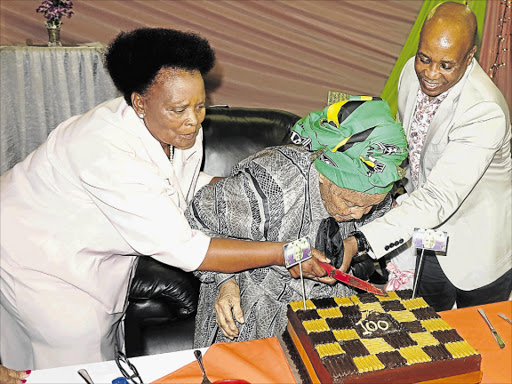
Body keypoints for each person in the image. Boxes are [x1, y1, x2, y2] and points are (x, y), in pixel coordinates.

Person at [0, 28, 329, 370]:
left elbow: (176, 183)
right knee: (76, 366)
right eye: (178, 109)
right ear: (140, 102)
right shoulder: (104, 149)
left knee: (59, 360)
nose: (193, 121)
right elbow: (187, 249)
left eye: (200, 105)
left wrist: (247, 189)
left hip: (77, 250)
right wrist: (289, 252)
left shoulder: (178, 131)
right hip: (32, 253)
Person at [187, 97, 408, 347]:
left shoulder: (373, 179)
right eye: (351, 203)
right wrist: (224, 283)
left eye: (370, 205)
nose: (358, 214)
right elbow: (196, 221)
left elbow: (387, 217)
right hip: (251, 312)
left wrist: (356, 242)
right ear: (324, 175)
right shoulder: (273, 184)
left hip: (323, 314)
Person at [342, 2, 512, 311]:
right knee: (427, 322)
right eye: (425, 58)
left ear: (469, 55)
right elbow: (407, 145)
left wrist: (360, 241)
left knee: (480, 338)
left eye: (446, 65)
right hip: (426, 233)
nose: (431, 73)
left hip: (477, 244)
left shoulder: (484, 111)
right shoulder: (411, 71)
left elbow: (437, 196)